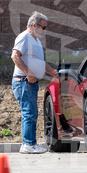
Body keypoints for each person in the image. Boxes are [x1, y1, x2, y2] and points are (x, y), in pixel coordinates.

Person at [11, 11, 57, 154]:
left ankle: (29, 143)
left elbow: (41, 63)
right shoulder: (24, 37)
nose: (44, 30)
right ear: (34, 25)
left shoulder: (35, 41)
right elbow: (15, 56)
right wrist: (28, 72)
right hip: (24, 81)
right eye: (43, 27)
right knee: (29, 113)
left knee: (32, 113)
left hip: (30, 83)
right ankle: (28, 144)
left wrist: (55, 73)